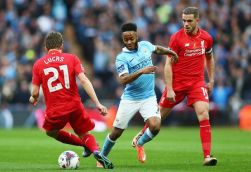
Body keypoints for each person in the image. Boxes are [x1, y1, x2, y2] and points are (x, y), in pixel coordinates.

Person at [132, 7, 217, 166]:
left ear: (197, 20)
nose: (186, 23)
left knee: (204, 114)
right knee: (156, 120)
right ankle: (140, 137)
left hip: (197, 83)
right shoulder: (176, 38)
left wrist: (211, 80)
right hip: (177, 84)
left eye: (189, 20)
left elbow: (210, 58)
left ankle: (207, 156)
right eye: (184, 20)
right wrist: (170, 88)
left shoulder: (206, 38)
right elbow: (168, 64)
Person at [29, 31, 113, 169]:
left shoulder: (38, 64)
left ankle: (84, 145)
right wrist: (97, 103)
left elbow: (35, 92)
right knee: (84, 133)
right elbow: (84, 80)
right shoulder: (72, 58)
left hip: (55, 109)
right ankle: (96, 151)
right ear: (62, 45)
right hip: (75, 105)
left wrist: (33, 98)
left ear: (45, 47)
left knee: (51, 132)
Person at [99, 22, 178, 165]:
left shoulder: (145, 46)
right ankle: (102, 157)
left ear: (137, 36)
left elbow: (157, 49)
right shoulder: (121, 58)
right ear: (122, 39)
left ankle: (139, 143)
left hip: (148, 97)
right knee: (116, 132)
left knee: (155, 126)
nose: (129, 42)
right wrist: (142, 70)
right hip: (130, 99)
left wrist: (170, 51)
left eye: (131, 38)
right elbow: (123, 79)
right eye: (126, 39)